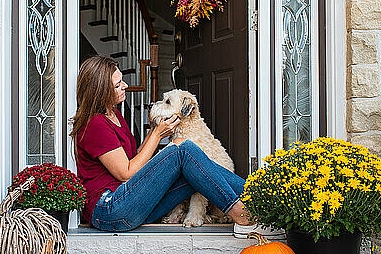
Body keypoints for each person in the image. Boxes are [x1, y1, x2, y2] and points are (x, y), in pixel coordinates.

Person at [69, 55, 265, 238]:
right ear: (100, 90)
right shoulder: (94, 123)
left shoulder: (114, 114)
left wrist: (154, 130)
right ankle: (242, 212)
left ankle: (261, 200)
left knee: (195, 171)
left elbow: (135, 158)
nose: (126, 86)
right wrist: (157, 135)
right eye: (118, 85)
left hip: (132, 204)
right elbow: (126, 173)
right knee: (184, 148)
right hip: (111, 209)